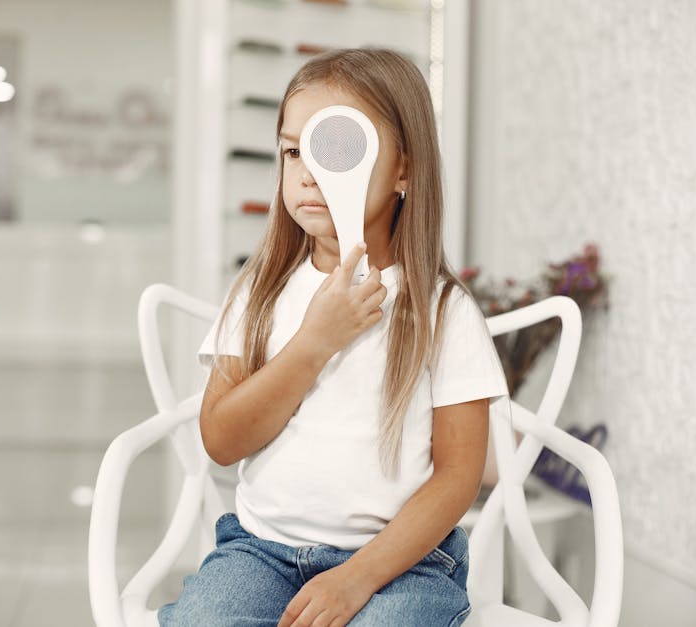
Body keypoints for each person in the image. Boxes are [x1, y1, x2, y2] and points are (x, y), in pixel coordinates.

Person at [158, 47, 509, 626]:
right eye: (294, 149)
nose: (307, 169)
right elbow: (221, 440)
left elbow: (457, 478)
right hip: (259, 552)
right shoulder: (259, 293)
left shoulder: (445, 312)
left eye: (339, 148)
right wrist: (314, 341)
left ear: (404, 169)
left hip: (402, 565)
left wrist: (358, 577)